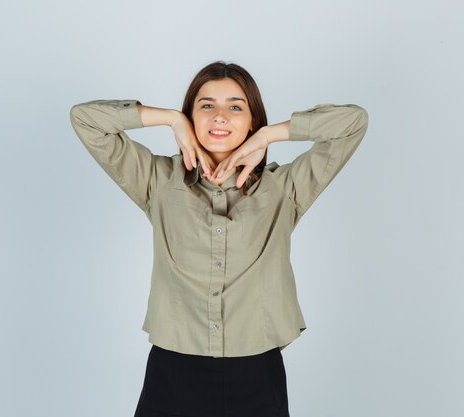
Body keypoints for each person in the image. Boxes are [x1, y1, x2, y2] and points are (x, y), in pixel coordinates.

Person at [69, 60, 369, 417]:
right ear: (191, 116)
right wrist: (170, 119)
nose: (220, 116)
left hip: (257, 372)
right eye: (206, 105)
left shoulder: (284, 189)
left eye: (236, 107)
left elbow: (353, 122)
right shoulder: (157, 181)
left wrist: (269, 135)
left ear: (252, 119)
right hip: (173, 371)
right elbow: (85, 118)